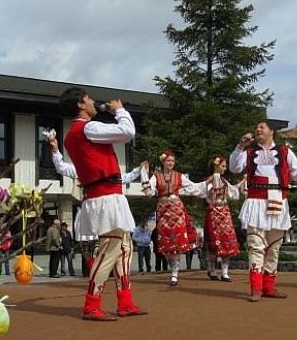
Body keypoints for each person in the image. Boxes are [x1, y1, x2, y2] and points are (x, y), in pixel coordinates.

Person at [60, 86, 147, 321]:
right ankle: (91, 304)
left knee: (123, 249)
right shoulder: (87, 128)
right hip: (105, 195)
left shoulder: (73, 134)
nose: (93, 102)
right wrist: (120, 111)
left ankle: (125, 301)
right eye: (89, 99)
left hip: (104, 193)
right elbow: (127, 132)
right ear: (80, 104)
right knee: (110, 250)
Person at [228, 121, 297, 302]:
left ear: (272, 131)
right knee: (256, 244)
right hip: (256, 201)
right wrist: (240, 146)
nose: (258, 129)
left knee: (274, 246)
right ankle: (256, 287)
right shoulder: (249, 152)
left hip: (278, 198)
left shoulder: (285, 152)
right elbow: (234, 168)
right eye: (257, 128)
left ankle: (269, 286)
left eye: (262, 127)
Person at [45, 135, 146, 278]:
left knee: (111, 246)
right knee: (90, 249)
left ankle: (109, 279)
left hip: (106, 211)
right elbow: (61, 167)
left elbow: (124, 178)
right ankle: (94, 279)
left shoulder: (108, 170)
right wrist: (55, 150)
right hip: (90, 211)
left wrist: (138, 170)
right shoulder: (81, 169)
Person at [141, 150, 206, 286]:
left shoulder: (179, 176)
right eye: (168, 161)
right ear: (163, 162)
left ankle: (174, 274)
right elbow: (149, 192)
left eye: (172, 161)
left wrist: (207, 183)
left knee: (176, 244)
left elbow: (194, 188)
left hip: (177, 213)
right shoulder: (156, 177)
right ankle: (173, 269)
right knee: (166, 244)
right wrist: (143, 174)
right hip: (164, 213)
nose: (170, 163)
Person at [203, 156, 242, 282]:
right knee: (213, 244)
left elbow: (232, 191)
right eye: (223, 166)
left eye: (225, 166)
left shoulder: (224, 181)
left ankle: (225, 272)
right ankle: (212, 270)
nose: (224, 169)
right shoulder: (209, 181)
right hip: (213, 212)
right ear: (216, 166)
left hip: (224, 213)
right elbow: (203, 192)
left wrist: (243, 181)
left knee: (227, 242)